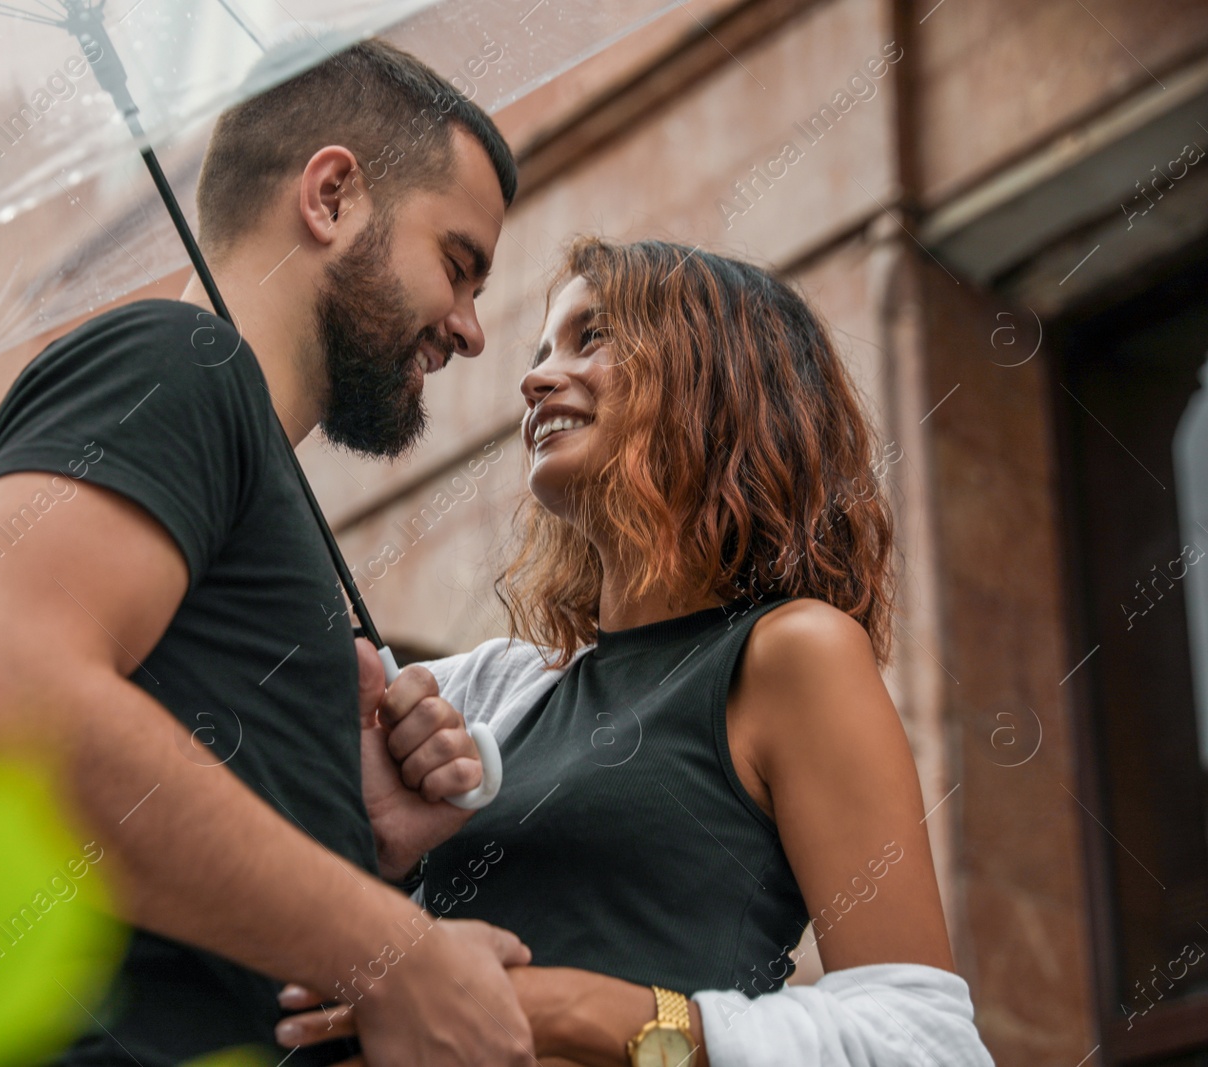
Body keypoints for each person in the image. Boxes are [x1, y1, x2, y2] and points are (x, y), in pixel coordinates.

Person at [0, 40, 536, 1067]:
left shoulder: (229, 433)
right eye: (457, 263)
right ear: (331, 196)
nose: (469, 329)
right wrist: (397, 953)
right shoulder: (172, 363)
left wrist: (351, 816)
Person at [274, 238, 995, 1065]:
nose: (536, 377)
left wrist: (573, 1007)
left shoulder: (790, 652)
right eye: (543, 348)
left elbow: (924, 1042)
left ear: (718, 377)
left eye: (595, 336)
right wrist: (369, 850)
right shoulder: (490, 689)